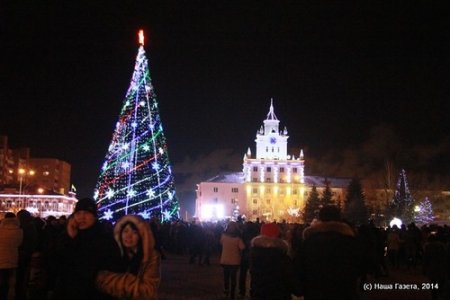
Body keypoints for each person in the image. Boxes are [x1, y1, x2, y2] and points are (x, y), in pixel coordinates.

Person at [50, 198, 122, 300]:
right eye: (78, 213)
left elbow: (92, 269)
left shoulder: (104, 239)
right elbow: (56, 264)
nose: (82, 217)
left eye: (86, 213)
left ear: (94, 216)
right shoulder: (67, 236)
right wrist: (70, 237)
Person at [296, 205, 363, 300]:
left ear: (320, 219)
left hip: (315, 292)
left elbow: (299, 268)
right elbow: (360, 266)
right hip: (344, 292)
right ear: (339, 218)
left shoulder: (309, 242)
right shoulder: (350, 241)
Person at [96, 215, 160, 300]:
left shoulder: (151, 256)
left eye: (134, 232)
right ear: (120, 233)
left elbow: (147, 291)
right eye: (125, 231)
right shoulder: (115, 253)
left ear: (141, 235)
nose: (129, 236)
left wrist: (110, 281)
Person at [249, 222, 296, 300]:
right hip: (280, 295)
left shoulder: (255, 254)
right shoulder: (282, 256)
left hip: (259, 295)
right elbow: (290, 279)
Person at [0, 213, 23, 300]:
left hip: (1, 258)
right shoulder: (19, 231)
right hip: (13, 257)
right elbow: (19, 243)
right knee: (10, 279)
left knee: (1, 279)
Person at [220, 221, 245, 299]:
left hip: (225, 259)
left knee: (226, 277)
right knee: (233, 278)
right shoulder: (238, 238)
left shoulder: (223, 237)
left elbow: (221, 244)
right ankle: (232, 294)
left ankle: (226, 291)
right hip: (235, 260)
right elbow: (242, 247)